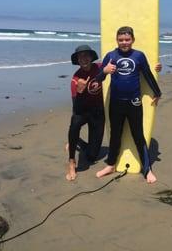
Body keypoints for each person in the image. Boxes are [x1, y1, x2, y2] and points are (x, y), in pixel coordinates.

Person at [95, 26, 162, 184]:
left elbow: (147, 74)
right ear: (117, 40)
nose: (124, 42)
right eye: (121, 40)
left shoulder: (139, 56)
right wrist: (104, 71)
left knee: (138, 136)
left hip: (134, 102)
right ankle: (110, 165)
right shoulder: (111, 56)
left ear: (132, 40)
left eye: (127, 39)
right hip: (116, 103)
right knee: (115, 136)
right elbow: (99, 79)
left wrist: (157, 92)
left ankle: (147, 170)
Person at [66, 45, 104, 181]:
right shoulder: (75, 79)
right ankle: (71, 161)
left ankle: (76, 142)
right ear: (77, 60)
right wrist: (80, 91)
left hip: (98, 111)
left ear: (91, 57)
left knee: (92, 156)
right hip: (82, 111)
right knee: (74, 123)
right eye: (80, 56)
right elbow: (76, 107)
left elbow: (119, 62)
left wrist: (155, 65)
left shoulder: (99, 67)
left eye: (86, 55)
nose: (84, 59)